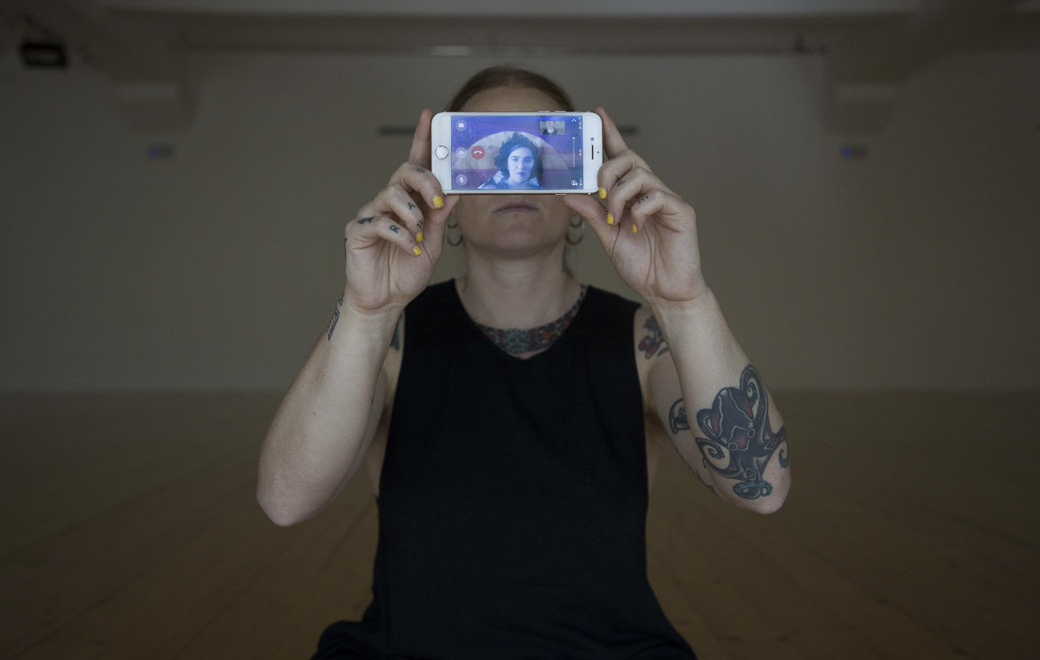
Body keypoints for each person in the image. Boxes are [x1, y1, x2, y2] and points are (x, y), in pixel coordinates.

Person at [257, 65, 791, 660]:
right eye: (483, 150)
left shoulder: (643, 340)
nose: (516, 173)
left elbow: (762, 488)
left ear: (582, 185)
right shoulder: (389, 338)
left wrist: (683, 301)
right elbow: (285, 500)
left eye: (543, 149)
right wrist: (365, 311)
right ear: (444, 191)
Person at [477, 131, 543, 189]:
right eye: (515, 160)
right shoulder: (491, 190)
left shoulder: (541, 192)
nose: (521, 166)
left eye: (527, 160)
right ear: (506, 164)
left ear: (533, 165)